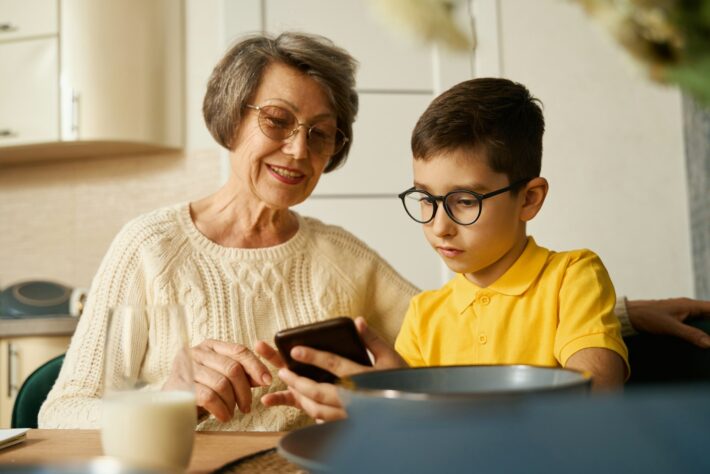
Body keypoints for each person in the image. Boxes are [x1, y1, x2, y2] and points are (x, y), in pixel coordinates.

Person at [38, 32, 420, 431]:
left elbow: (456, 350)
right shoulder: (150, 246)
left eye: (320, 133)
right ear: (232, 117)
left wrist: (397, 387)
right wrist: (167, 403)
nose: (298, 150)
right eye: (277, 120)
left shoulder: (344, 257)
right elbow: (59, 414)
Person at [257, 77, 634, 420]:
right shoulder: (425, 315)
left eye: (466, 201)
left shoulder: (573, 277)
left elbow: (595, 401)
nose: (440, 227)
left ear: (529, 199)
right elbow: (419, 443)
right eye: (425, 198)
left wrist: (421, 408)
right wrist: (384, 406)